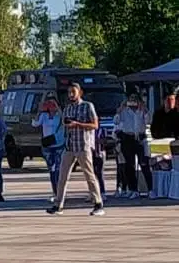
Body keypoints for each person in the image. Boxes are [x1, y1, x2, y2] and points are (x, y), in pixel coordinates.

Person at [48, 82, 104, 216]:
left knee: (89, 175)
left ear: (80, 92)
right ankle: (58, 205)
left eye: (73, 92)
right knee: (62, 176)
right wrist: (67, 124)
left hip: (83, 145)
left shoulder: (87, 106)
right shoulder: (68, 108)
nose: (71, 95)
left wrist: (77, 124)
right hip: (69, 146)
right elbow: (64, 123)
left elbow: (95, 125)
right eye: (69, 92)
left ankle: (98, 203)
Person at [115, 93, 152, 199]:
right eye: (131, 99)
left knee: (144, 164)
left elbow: (148, 121)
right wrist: (120, 110)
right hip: (128, 138)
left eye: (135, 99)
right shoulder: (124, 111)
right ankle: (133, 189)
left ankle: (150, 189)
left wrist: (144, 110)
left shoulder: (142, 110)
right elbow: (116, 121)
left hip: (140, 138)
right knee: (129, 165)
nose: (133, 102)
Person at [31, 97, 65, 201]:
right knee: (52, 170)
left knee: (59, 170)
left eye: (52, 104)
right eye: (49, 104)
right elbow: (35, 124)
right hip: (48, 145)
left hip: (59, 144)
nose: (51, 106)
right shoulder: (44, 116)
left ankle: (60, 192)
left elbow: (65, 120)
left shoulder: (59, 115)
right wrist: (39, 110)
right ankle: (55, 192)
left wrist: (57, 107)